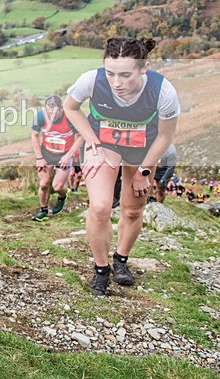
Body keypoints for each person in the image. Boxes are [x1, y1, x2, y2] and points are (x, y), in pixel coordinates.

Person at [64, 37, 180, 297]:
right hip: (105, 144)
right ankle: (101, 270)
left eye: (126, 75)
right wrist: (93, 144)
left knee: (132, 210)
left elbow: (164, 136)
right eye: (110, 73)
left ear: (143, 68)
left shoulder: (163, 91)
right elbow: (70, 107)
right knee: (101, 206)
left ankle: (121, 260)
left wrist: (146, 171)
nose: (116, 83)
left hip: (143, 149)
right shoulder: (91, 80)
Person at [31, 95, 83, 221]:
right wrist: (39, 158)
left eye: (55, 113)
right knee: (44, 183)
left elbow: (80, 136)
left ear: (61, 109)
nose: (52, 117)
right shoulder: (40, 116)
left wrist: (68, 156)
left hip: (64, 154)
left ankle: (62, 196)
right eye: (49, 113)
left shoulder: (70, 116)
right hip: (47, 152)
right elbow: (34, 135)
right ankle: (43, 210)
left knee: (57, 187)